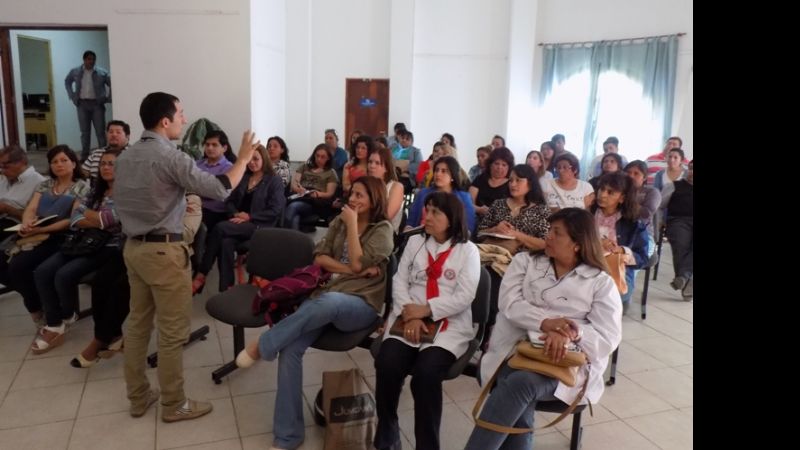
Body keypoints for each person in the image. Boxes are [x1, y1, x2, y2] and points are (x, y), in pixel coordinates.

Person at [113, 92, 257, 423]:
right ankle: (174, 403)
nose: (185, 118)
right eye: (180, 113)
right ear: (165, 121)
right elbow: (220, 188)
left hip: (134, 248)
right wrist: (243, 159)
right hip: (163, 253)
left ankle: (138, 397)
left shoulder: (125, 157)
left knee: (137, 325)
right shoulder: (171, 157)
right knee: (172, 331)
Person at [234, 176, 394, 450]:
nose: (353, 199)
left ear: (375, 199)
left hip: (360, 304)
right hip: (326, 296)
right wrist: (348, 269)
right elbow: (320, 257)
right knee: (290, 349)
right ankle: (288, 436)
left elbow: (359, 261)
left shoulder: (382, 229)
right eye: (352, 193)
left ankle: (263, 343)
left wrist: (352, 227)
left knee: (329, 302)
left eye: (360, 195)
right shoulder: (339, 221)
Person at [464, 208, 622, 450]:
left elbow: (608, 336)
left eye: (557, 233)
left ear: (577, 243)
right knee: (515, 382)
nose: (548, 236)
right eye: (549, 230)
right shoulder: (525, 262)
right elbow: (508, 303)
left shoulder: (600, 282)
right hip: (517, 350)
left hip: (566, 364)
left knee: (519, 383)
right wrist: (546, 324)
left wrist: (570, 333)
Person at [374, 191, 480, 450]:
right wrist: (409, 314)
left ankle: (427, 446)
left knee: (425, 376)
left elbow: (465, 296)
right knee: (387, 363)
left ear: (452, 218)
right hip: (408, 316)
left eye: (435, 212)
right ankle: (387, 432)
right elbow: (399, 281)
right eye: (427, 209)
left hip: (447, 324)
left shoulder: (468, 250)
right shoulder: (414, 242)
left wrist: (426, 310)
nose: (427, 216)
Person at [33, 149, 125, 359]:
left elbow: (110, 221)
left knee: (63, 275)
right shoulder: (96, 191)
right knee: (42, 272)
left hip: (108, 246)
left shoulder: (126, 193)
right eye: (103, 164)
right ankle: (54, 324)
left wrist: (90, 216)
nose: (106, 167)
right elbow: (75, 218)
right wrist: (94, 218)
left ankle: (67, 316)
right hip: (80, 241)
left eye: (111, 164)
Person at [0, 145, 89, 330]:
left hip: (63, 237)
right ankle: (36, 310)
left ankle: (57, 313)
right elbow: (31, 208)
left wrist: (41, 229)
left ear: (73, 163)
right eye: (54, 162)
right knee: (16, 266)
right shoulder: (46, 184)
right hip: (39, 234)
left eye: (64, 160)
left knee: (30, 268)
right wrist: (27, 223)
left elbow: (72, 219)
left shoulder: (81, 187)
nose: (59, 165)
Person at [192, 145, 285, 294]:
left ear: (264, 159)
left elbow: (276, 209)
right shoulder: (244, 177)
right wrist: (235, 213)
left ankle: (202, 273)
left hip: (260, 226)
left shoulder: (274, 180)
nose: (252, 163)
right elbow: (229, 202)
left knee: (220, 228)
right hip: (239, 223)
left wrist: (250, 216)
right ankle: (226, 290)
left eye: (256, 159)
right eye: (249, 159)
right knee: (225, 243)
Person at [590, 172, 649, 313]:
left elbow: (643, 259)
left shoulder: (633, 223)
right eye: (601, 189)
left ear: (622, 198)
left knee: (606, 299)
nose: (602, 194)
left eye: (610, 192)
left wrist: (622, 251)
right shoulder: (588, 213)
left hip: (615, 272)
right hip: (587, 266)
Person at [406, 156, 476, 233]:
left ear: (453, 176)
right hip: (421, 234)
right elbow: (411, 221)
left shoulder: (464, 197)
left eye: (444, 171)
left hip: (453, 237)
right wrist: (408, 229)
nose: (438, 174)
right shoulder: (423, 193)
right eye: (436, 170)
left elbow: (469, 226)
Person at [64, 50, 112, 160]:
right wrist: (72, 95)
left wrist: (108, 98)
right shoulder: (75, 71)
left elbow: (112, 84)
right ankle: (85, 156)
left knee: (100, 132)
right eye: (89, 59)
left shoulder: (102, 72)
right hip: (82, 105)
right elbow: (67, 81)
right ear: (84, 60)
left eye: (93, 59)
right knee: (84, 132)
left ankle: (102, 156)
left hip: (97, 105)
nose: (92, 61)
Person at [285, 144, 339, 230]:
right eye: (317, 156)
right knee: (295, 217)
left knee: (293, 207)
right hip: (301, 196)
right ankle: (293, 237)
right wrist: (298, 189)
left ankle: (285, 235)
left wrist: (318, 194)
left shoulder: (330, 173)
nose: (319, 159)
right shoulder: (304, 167)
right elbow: (294, 184)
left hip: (314, 202)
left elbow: (330, 193)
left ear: (328, 158)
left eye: (322, 157)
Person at [660, 160, 693, 301]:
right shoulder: (674, 186)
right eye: (691, 168)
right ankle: (688, 282)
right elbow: (659, 205)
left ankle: (683, 278)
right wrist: (659, 222)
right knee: (681, 245)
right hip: (678, 221)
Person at [0, 145, 46, 234]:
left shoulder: (39, 182)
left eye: (6, 167)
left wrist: (7, 209)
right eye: (1, 167)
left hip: (16, 226)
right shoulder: (4, 180)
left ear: (21, 162)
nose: (2, 171)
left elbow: (39, 220)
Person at [196, 130, 234, 233]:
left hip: (214, 212)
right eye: (207, 144)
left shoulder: (229, 168)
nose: (209, 148)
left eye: (214, 145)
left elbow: (215, 193)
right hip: (193, 208)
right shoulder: (197, 164)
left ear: (224, 148)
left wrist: (196, 189)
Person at [367, 146, 404, 233]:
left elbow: (386, 216)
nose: (372, 166)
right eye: (370, 162)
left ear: (386, 168)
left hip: (384, 233)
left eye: (377, 163)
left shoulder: (396, 187)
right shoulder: (365, 184)